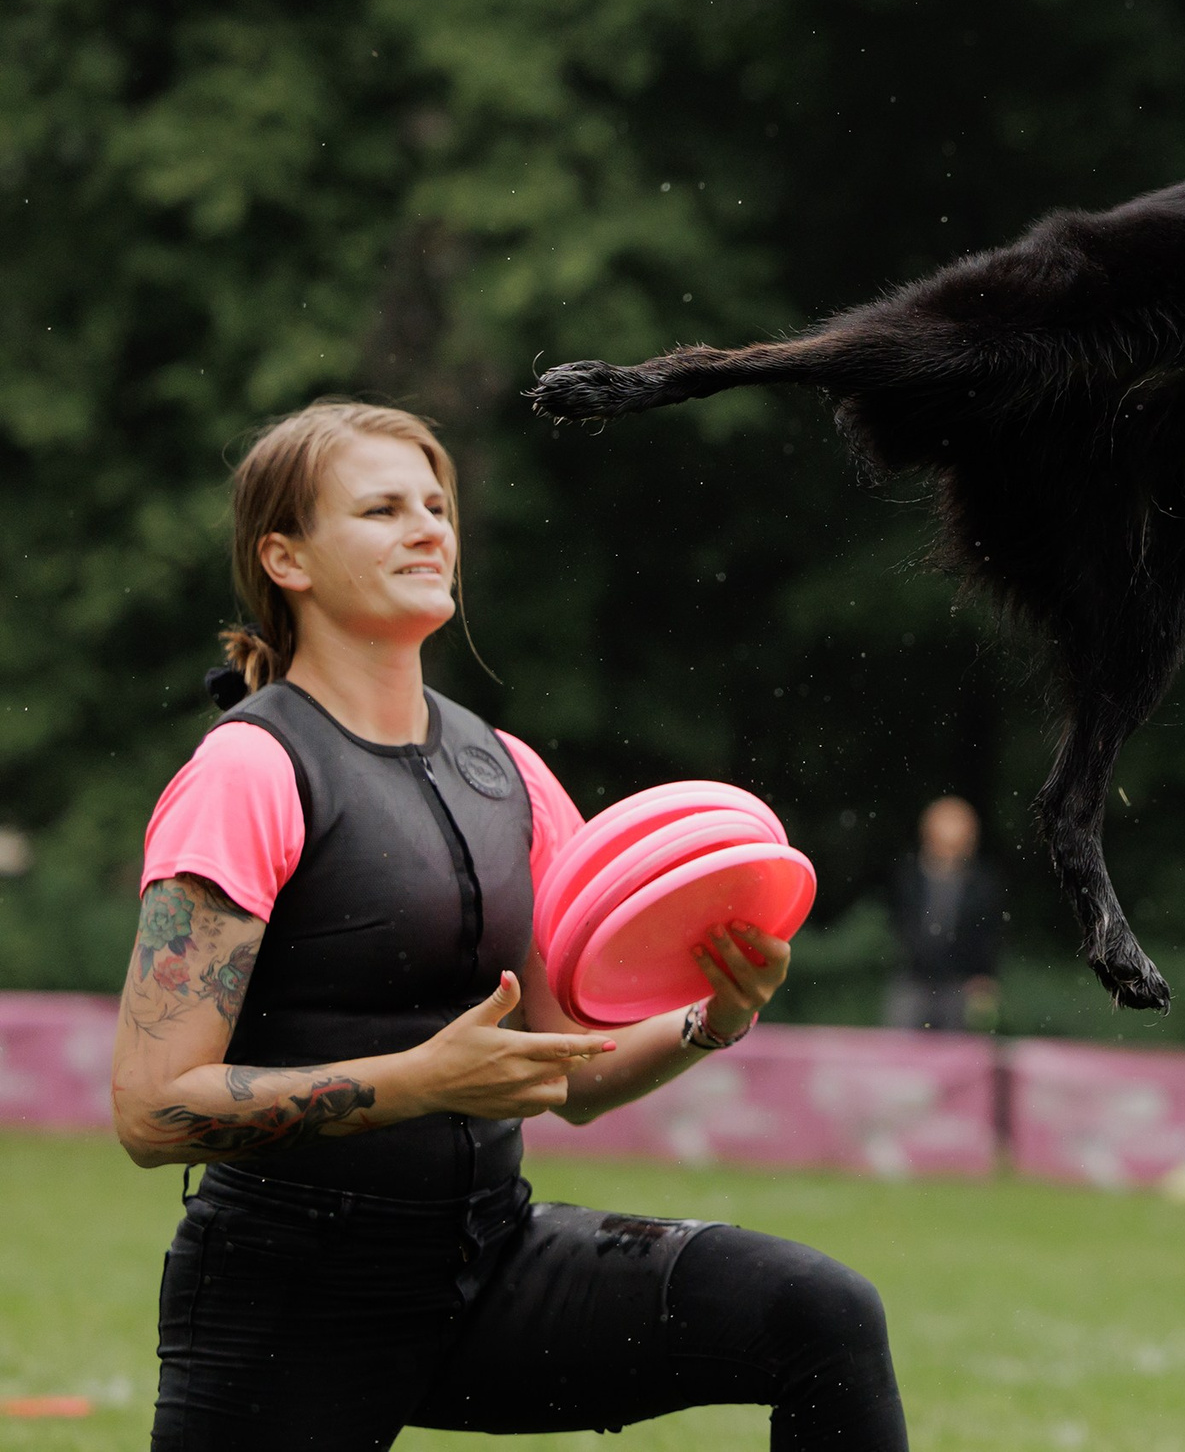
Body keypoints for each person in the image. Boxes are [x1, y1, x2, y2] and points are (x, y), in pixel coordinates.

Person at [111, 401, 907, 1452]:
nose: (427, 528)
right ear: (285, 557)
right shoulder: (247, 773)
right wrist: (421, 1082)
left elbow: (565, 1072)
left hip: (488, 1261)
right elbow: (152, 1110)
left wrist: (714, 1017)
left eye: (437, 505)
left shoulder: (507, 771)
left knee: (820, 1315)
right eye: (383, 508)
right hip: (287, 1299)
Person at [883, 797, 1002, 1031]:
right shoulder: (909, 876)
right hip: (913, 979)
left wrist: (984, 977)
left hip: (960, 983)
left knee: (958, 1054)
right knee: (899, 1044)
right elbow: (899, 924)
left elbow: (991, 934)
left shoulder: (983, 884)